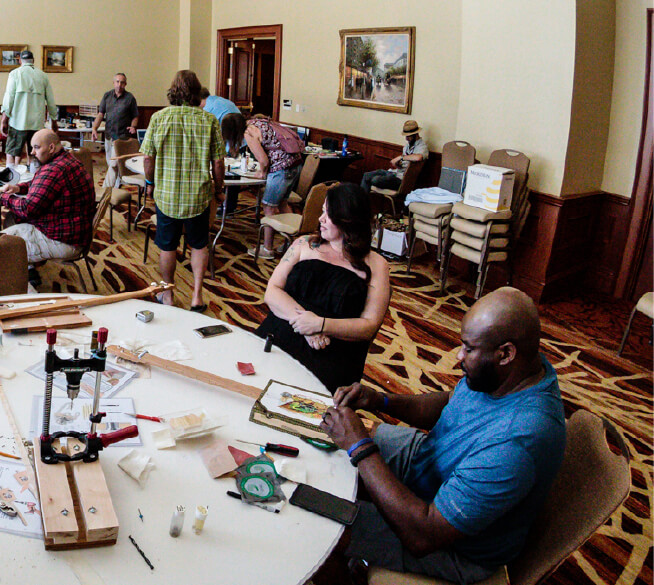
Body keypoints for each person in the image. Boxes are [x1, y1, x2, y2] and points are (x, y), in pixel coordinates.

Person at [319, 287, 565, 585]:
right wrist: (380, 401)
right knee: (321, 443)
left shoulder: (517, 443)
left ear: (506, 353)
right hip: (430, 462)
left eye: (469, 348)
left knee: (319, 521)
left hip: (452, 547)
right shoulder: (515, 371)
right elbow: (452, 401)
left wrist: (360, 447)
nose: (459, 357)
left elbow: (423, 535)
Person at [255, 182, 390, 391]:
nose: (320, 219)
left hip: (331, 352)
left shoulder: (377, 264)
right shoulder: (303, 244)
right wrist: (306, 325)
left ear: (348, 219)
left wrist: (321, 324)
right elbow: (272, 292)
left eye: (328, 214)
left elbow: (369, 325)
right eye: (322, 211)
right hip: (282, 331)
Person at [140, 70, 225, 312]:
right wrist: (219, 189)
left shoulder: (158, 118)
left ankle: (167, 294)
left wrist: (150, 183)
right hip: (198, 195)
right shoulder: (208, 120)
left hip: (167, 194)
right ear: (197, 92)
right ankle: (197, 295)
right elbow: (218, 162)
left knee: (168, 246)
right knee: (199, 244)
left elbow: (148, 158)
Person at [0, 129, 96, 282]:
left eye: (36, 147)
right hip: (75, 232)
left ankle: (24, 291)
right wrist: (19, 188)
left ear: (51, 148)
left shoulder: (53, 170)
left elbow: (28, 209)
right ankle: (29, 269)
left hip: (63, 242)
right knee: (12, 217)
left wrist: (1, 197)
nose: (32, 152)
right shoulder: (69, 160)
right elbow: (43, 184)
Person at [242, 114, 304, 259]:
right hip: (295, 164)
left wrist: (262, 172)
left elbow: (263, 160)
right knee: (282, 203)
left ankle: (267, 248)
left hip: (281, 169)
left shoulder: (248, 131)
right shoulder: (260, 122)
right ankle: (290, 243)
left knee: (268, 206)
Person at [1, 50, 58, 167]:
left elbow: (9, 98)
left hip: (18, 122)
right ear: (33, 60)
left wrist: (4, 120)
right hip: (37, 124)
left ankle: (11, 180)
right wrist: (54, 120)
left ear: (20, 60)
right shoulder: (43, 75)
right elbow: (51, 101)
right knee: (35, 154)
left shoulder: (15, 74)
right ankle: (34, 181)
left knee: (11, 152)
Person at [91, 72, 139, 188]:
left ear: (125, 84)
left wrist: (133, 126)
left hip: (122, 137)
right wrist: (94, 128)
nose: (119, 84)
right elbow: (101, 114)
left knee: (113, 165)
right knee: (111, 164)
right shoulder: (107, 96)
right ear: (113, 83)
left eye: (122, 82)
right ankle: (116, 187)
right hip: (108, 135)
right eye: (117, 81)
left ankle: (105, 191)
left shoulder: (130, 98)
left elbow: (135, 116)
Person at [361, 120, 428, 193]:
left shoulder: (422, 147)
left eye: (408, 136)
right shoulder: (408, 146)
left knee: (375, 180)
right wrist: (398, 164)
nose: (406, 139)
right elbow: (405, 163)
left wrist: (401, 157)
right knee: (366, 175)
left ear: (415, 134)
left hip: (402, 180)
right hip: (395, 173)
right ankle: (361, 203)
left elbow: (418, 157)